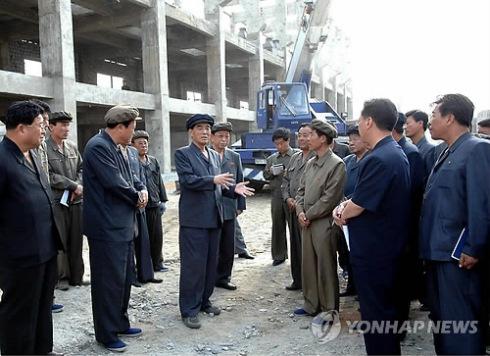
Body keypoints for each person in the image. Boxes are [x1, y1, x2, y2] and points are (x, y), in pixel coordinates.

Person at [333, 98, 411, 355]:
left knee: (377, 317)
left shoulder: (378, 158)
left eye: (360, 120)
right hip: (388, 249)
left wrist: (341, 212)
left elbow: (359, 204)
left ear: (368, 121)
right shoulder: (395, 151)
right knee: (383, 315)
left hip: (376, 253)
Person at [419, 94, 490, 354]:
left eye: (434, 117)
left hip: (458, 257)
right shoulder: (445, 151)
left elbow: (482, 203)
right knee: (443, 324)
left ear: (450, 118)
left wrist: (472, 247)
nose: (430, 123)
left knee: (461, 324)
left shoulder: (477, 148)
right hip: (437, 253)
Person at [175, 114, 254, 329]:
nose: (204, 131)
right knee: (194, 266)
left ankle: (204, 301)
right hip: (194, 220)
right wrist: (213, 180)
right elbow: (188, 181)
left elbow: (221, 185)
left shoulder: (212, 154)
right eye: (199, 127)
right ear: (191, 132)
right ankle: (189, 309)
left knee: (211, 264)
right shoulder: (183, 154)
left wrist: (233, 189)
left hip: (214, 218)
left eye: (207, 128)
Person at [83, 105, 148, 352]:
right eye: (132, 127)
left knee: (122, 279)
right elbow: (115, 183)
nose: (134, 132)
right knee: (107, 282)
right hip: (106, 228)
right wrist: (136, 197)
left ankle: (120, 322)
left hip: (121, 225)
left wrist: (140, 190)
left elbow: (131, 178)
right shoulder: (98, 147)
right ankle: (106, 334)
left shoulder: (118, 148)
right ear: (120, 126)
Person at [0, 101, 62, 355]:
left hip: (45, 248)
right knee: (19, 313)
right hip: (19, 255)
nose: (44, 131)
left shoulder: (34, 154)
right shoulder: (2, 160)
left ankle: (42, 350)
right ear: (22, 128)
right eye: (40, 126)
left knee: (42, 306)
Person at [294, 119, 346, 316]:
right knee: (308, 265)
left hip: (323, 223)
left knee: (325, 266)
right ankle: (311, 305)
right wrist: (300, 211)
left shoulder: (336, 164)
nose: (308, 139)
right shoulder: (310, 163)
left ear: (323, 138)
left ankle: (329, 309)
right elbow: (300, 191)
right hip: (306, 221)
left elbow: (329, 199)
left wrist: (308, 214)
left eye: (312, 135)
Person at [392, 112, 425, 331]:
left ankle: (400, 325)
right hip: (396, 227)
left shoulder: (409, 153)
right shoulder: (398, 150)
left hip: (404, 227)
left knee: (401, 277)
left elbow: (410, 194)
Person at [46, 111, 85, 287]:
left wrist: (78, 185)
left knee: (76, 239)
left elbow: (82, 169)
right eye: (62, 124)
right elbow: (48, 175)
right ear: (51, 127)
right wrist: (72, 185)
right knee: (59, 240)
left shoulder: (72, 147)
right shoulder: (43, 148)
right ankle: (61, 278)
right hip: (56, 203)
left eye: (68, 124)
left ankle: (77, 277)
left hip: (75, 201)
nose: (66, 128)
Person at [210, 122, 246, 291]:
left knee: (227, 246)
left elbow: (240, 181)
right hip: (210, 208)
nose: (224, 139)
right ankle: (210, 276)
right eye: (220, 136)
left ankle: (224, 277)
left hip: (229, 207)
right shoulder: (206, 155)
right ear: (212, 137)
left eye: (226, 136)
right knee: (212, 245)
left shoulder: (234, 157)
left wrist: (240, 205)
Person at [121, 138, 162, 285]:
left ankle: (146, 274)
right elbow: (120, 180)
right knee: (130, 243)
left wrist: (143, 191)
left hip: (140, 203)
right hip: (127, 202)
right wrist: (135, 195)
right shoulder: (112, 151)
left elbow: (137, 177)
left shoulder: (133, 152)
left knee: (144, 241)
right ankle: (132, 277)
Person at [281, 123, 314, 290]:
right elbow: (285, 182)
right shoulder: (295, 157)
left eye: (306, 135)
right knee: (295, 246)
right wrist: (287, 198)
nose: (302, 138)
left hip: (309, 212)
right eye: (300, 135)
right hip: (293, 210)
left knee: (309, 249)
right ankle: (298, 280)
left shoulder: (318, 158)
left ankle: (310, 284)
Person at [131, 130, 169, 273]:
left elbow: (159, 181)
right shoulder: (131, 162)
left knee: (157, 236)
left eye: (145, 143)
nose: (143, 145)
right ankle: (142, 266)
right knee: (141, 238)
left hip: (154, 203)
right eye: (140, 143)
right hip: (140, 206)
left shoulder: (153, 161)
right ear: (133, 145)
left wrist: (163, 200)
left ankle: (158, 263)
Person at [338, 125, 368, 297]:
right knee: (345, 251)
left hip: (360, 212)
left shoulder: (372, 160)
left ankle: (361, 289)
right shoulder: (348, 161)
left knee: (360, 254)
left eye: (356, 138)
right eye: (350, 139)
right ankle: (351, 284)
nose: (351, 142)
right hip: (344, 213)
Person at [264, 127, 295, 266]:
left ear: (288, 141)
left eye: (282, 143)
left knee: (294, 226)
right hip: (276, 195)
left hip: (292, 196)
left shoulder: (297, 156)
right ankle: (279, 255)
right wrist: (270, 172)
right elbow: (265, 176)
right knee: (277, 225)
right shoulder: (272, 158)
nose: (279, 146)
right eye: (276, 144)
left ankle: (297, 254)